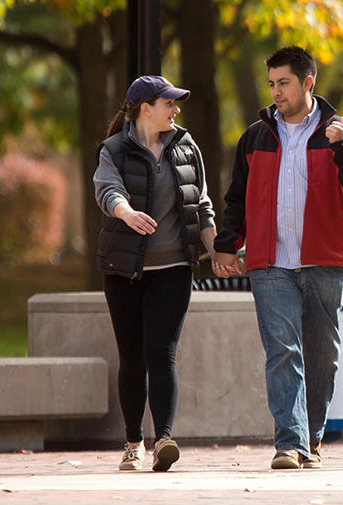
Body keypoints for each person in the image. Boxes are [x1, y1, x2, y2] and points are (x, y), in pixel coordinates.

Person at [212, 47, 343, 470]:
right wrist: (227, 244)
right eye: (271, 84)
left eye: (283, 82)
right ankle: (290, 443)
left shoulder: (339, 130)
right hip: (270, 261)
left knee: (322, 353)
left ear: (308, 83)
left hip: (324, 259)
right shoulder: (257, 135)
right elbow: (237, 198)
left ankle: (311, 437)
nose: (276, 92)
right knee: (283, 350)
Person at [93, 76, 217, 471]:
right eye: (169, 103)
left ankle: (164, 438)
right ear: (145, 107)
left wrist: (216, 249)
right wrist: (126, 212)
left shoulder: (186, 145)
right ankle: (133, 443)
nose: (176, 110)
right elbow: (106, 190)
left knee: (162, 353)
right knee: (132, 358)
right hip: (124, 268)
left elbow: (202, 203)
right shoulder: (113, 149)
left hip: (174, 267)